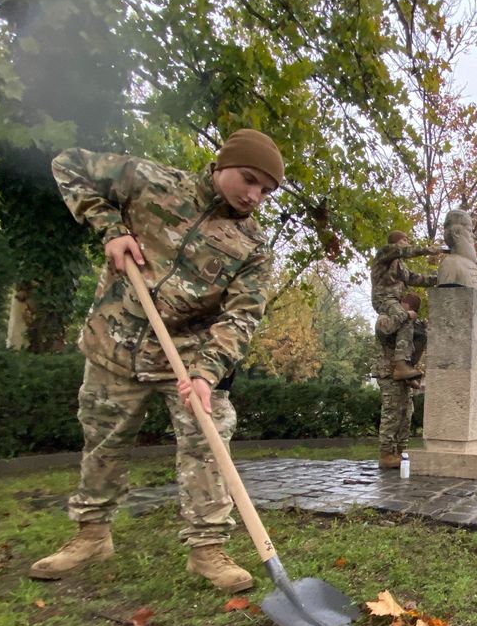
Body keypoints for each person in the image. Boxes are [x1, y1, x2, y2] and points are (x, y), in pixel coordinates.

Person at [31, 129, 286, 593]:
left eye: (266, 190)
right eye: (249, 179)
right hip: (116, 340)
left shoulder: (253, 248)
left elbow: (241, 317)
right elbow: (69, 163)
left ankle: (208, 549)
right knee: (103, 439)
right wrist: (111, 229)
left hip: (187, 357)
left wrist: (207, 374)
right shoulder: (151, 181)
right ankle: (91, 536)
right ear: (221, 164)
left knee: (208, 441)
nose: (255, 195)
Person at [370, 230, 442, 381]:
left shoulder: (400, 266)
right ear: (397, 241)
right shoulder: (385, 252)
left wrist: (440, 279)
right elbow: (406, 251)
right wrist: (429, 250)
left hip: (395, 300)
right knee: (405, 316)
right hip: (383, 298)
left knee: (418, 328)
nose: (407, 243)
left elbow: (417, 279)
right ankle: (401, 365)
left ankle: (408, 366)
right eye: (405, 240)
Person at [375, 292, 427, 469]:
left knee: (406, 414)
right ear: (402, 304)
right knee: (392, 413)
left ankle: (401, 451)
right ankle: (386, 453)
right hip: (388, 372)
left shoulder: (407, 322)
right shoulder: (386, 316)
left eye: (413, 310)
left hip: (403, 376)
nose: (410, 311)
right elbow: (384, 330)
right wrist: (405, 316)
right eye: (409, 307)